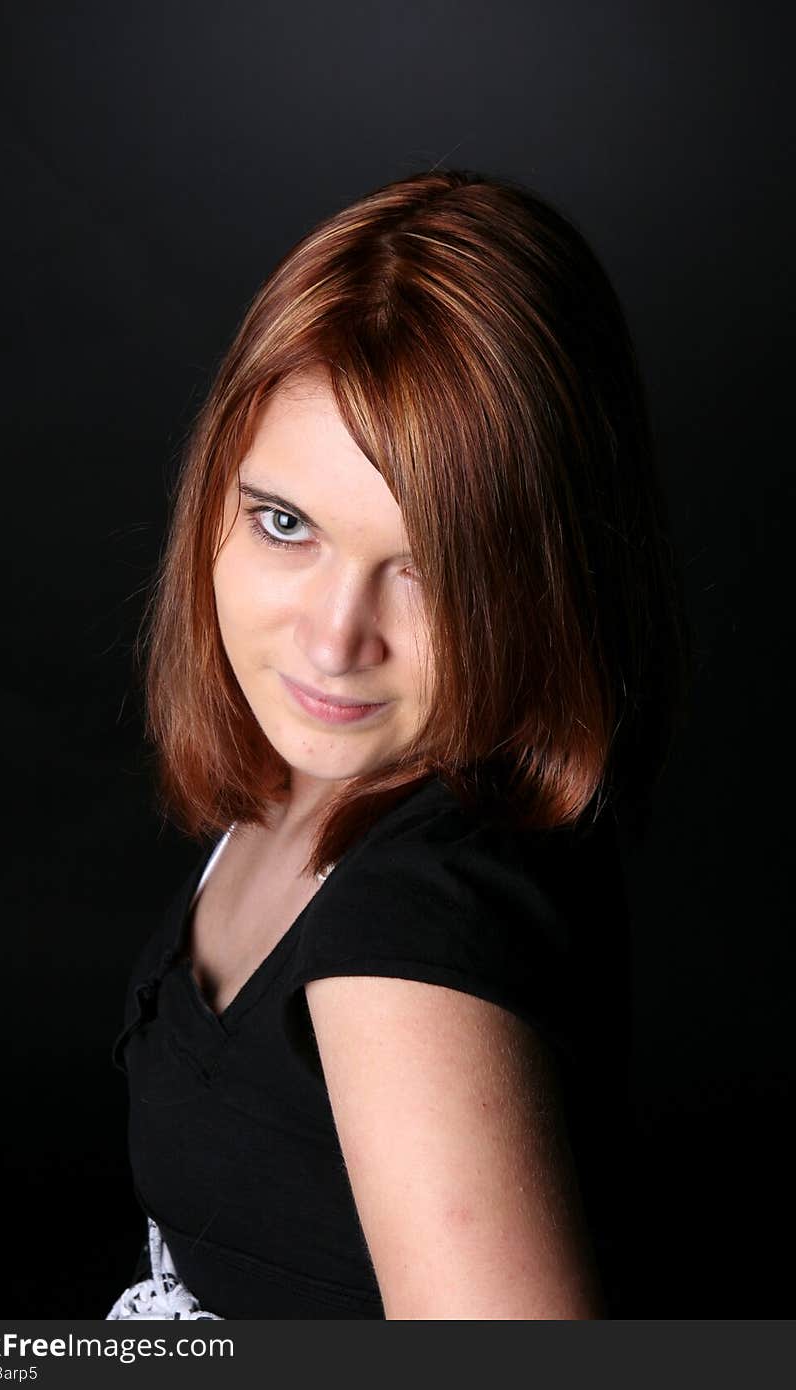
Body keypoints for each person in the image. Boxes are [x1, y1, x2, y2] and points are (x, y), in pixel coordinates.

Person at [107, 168, 689, 1320]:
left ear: (546, 580)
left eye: (429, 568)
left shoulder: (408, 947)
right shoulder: (313, 771)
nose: (333, 641)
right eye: (287, 524)